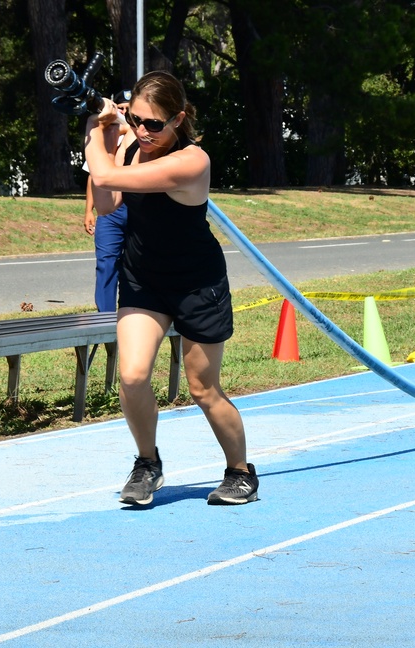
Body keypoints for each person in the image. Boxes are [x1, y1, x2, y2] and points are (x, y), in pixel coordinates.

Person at [84, 71, 258, 507]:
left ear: (178, 119)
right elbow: (106, 202)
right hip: (144, 280)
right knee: (132, 375)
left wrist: (92, 132)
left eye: (154, 124)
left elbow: (104, 180)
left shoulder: (192, 161)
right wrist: (110, 139)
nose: (143, 131)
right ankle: (147, 464)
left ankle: (240, 472)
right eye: (136, 120)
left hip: (197, 284)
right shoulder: (131, 147)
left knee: (203, 389)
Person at [82, 90, 131, 312]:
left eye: (128, 109)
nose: (122, 112)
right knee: (106, 263)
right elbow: (94, 175)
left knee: (135, 266)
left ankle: (132, 314)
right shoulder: (102, 134)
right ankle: (105, 317)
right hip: (110, 213)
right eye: (119, 107)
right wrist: (88, 211)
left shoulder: (140, 136)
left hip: (135, 208)